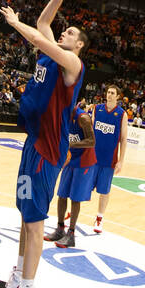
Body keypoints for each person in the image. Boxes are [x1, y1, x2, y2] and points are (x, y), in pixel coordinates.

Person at [0, 0, 86, 288]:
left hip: (48, 151)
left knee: (34, 225)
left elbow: (35, 34)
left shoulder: (72, 65)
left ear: (79, 46)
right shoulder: (52, 53)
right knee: (24, 215)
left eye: (71, 33)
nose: (64, 32)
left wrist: (16, 22)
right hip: (33, 143)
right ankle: (16, 281)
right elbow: (44, 22)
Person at [45, 103, 96, 248]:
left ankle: (71, 234)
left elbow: (92, 141)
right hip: (70, 159)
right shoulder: (63, 116)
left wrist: (69, 145)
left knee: (75, 198)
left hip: (84, 162)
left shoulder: (83, 118)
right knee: (62, 194)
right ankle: (60, 229)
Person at [90, 85, 127, 234]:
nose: (109, 95)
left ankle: (99, 218)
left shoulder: (122, 114)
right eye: (108, 92)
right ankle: (71, 214)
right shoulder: (97, 109)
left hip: (109, 160)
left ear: (117, 96)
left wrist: (121, 160)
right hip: (92, 157)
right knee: (83, 187)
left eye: (113, 93)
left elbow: (123, 139)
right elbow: (89, 132)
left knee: (104, 191)